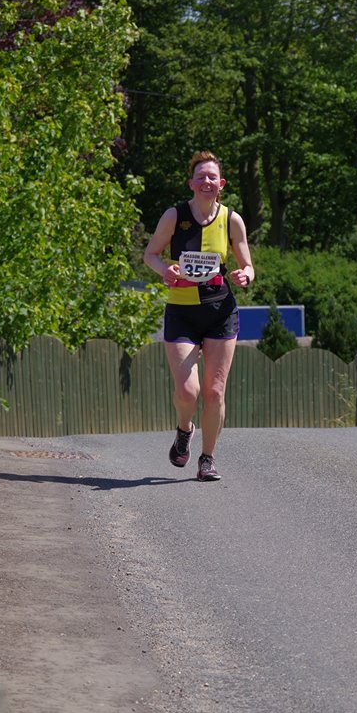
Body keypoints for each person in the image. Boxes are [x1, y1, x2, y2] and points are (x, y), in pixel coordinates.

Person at [143, 150, 254, 481]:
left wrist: (245, 275)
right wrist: (165, 270)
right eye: (200, 177)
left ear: (221, 184)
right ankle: (184, 428)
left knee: (214, 392)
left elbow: (248, 265)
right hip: (182, 312)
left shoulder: (232, 220)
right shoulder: (174, 216)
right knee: (188, 392)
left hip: (220, 312)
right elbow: (150, 254)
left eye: (212, 177)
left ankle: (207, 458)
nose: (207, 181)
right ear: (191, 184)